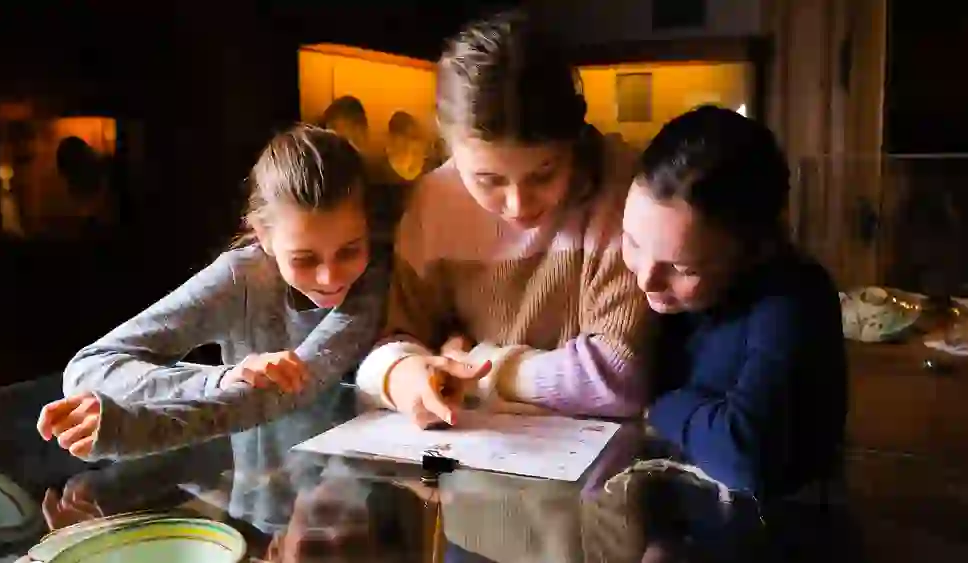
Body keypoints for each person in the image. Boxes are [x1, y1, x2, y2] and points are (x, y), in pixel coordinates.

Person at [352, 10, 653, 563]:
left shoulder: (619, 186)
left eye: (544, 173)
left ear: (574, 139)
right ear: (450, 146)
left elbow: (620, 373)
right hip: (474, 512)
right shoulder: (433, 203)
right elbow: (388, 343)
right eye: (488, 180)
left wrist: (482, 373)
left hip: (596, 515)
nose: (519, 205)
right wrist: (407, 373)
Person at [36, 125, 400, 529]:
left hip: (361, 513)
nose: (330, 276)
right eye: (304, 258)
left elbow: (292, 389)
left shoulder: (374, 281)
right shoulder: (241, 278)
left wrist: (132, 427)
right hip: (257, 513)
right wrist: (222, 379)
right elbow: (90, 366)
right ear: (263, 235)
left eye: (350, 250)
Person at [618, 106, 850, 562]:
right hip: (680, 520)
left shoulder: (794, 296)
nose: (645, 279)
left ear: (753, 250)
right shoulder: (668, 293)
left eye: (682, 267)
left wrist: (659, 402)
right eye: (632, 241)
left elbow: (746, 454)